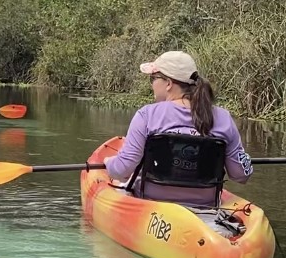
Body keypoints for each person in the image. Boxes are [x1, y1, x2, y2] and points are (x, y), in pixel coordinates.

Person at [103, 51, 252, 204]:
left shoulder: (147, 115)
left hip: (153, 204)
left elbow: (122, 170)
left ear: (168, 83)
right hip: (206, 206)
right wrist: (244, 158)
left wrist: (108, 163)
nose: (151, 84)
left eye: (153, 78)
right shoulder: (223, 118)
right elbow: (241, 174)